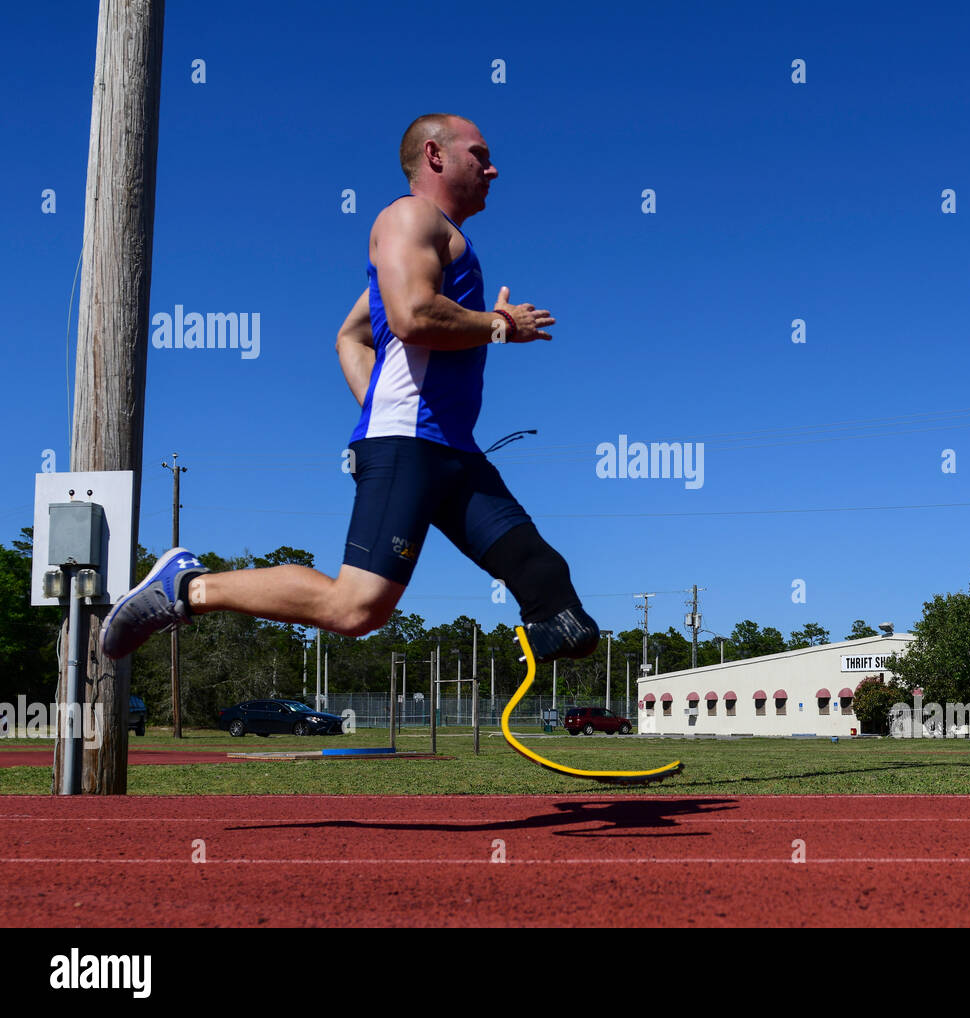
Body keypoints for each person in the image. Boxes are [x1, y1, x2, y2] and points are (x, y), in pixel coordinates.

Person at [101, 113, 600, 666]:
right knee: (356, 610)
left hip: (453, 448)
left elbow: (351, 336)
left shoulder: (447, 242)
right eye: (479, 155)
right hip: (409, 445)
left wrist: (385, 398)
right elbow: (412, 316)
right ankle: (187, 588)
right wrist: (499, 325)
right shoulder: (408, 217)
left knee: (546, 580)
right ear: (435, 155)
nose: (493, 168)